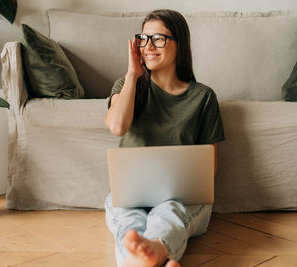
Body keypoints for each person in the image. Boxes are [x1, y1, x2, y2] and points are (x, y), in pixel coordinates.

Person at [104, 9, 225, 267]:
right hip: (130, 195)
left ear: (179, 45)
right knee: (128, 219)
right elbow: (117, 126)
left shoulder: (203, 97)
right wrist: (132, 76)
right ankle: (155, 257)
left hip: (184, 200)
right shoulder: (126, 86)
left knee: (168, 212)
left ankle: (149, 253)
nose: (148, 46)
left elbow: (210, 167)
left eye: (158, 39)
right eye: (143, 39)